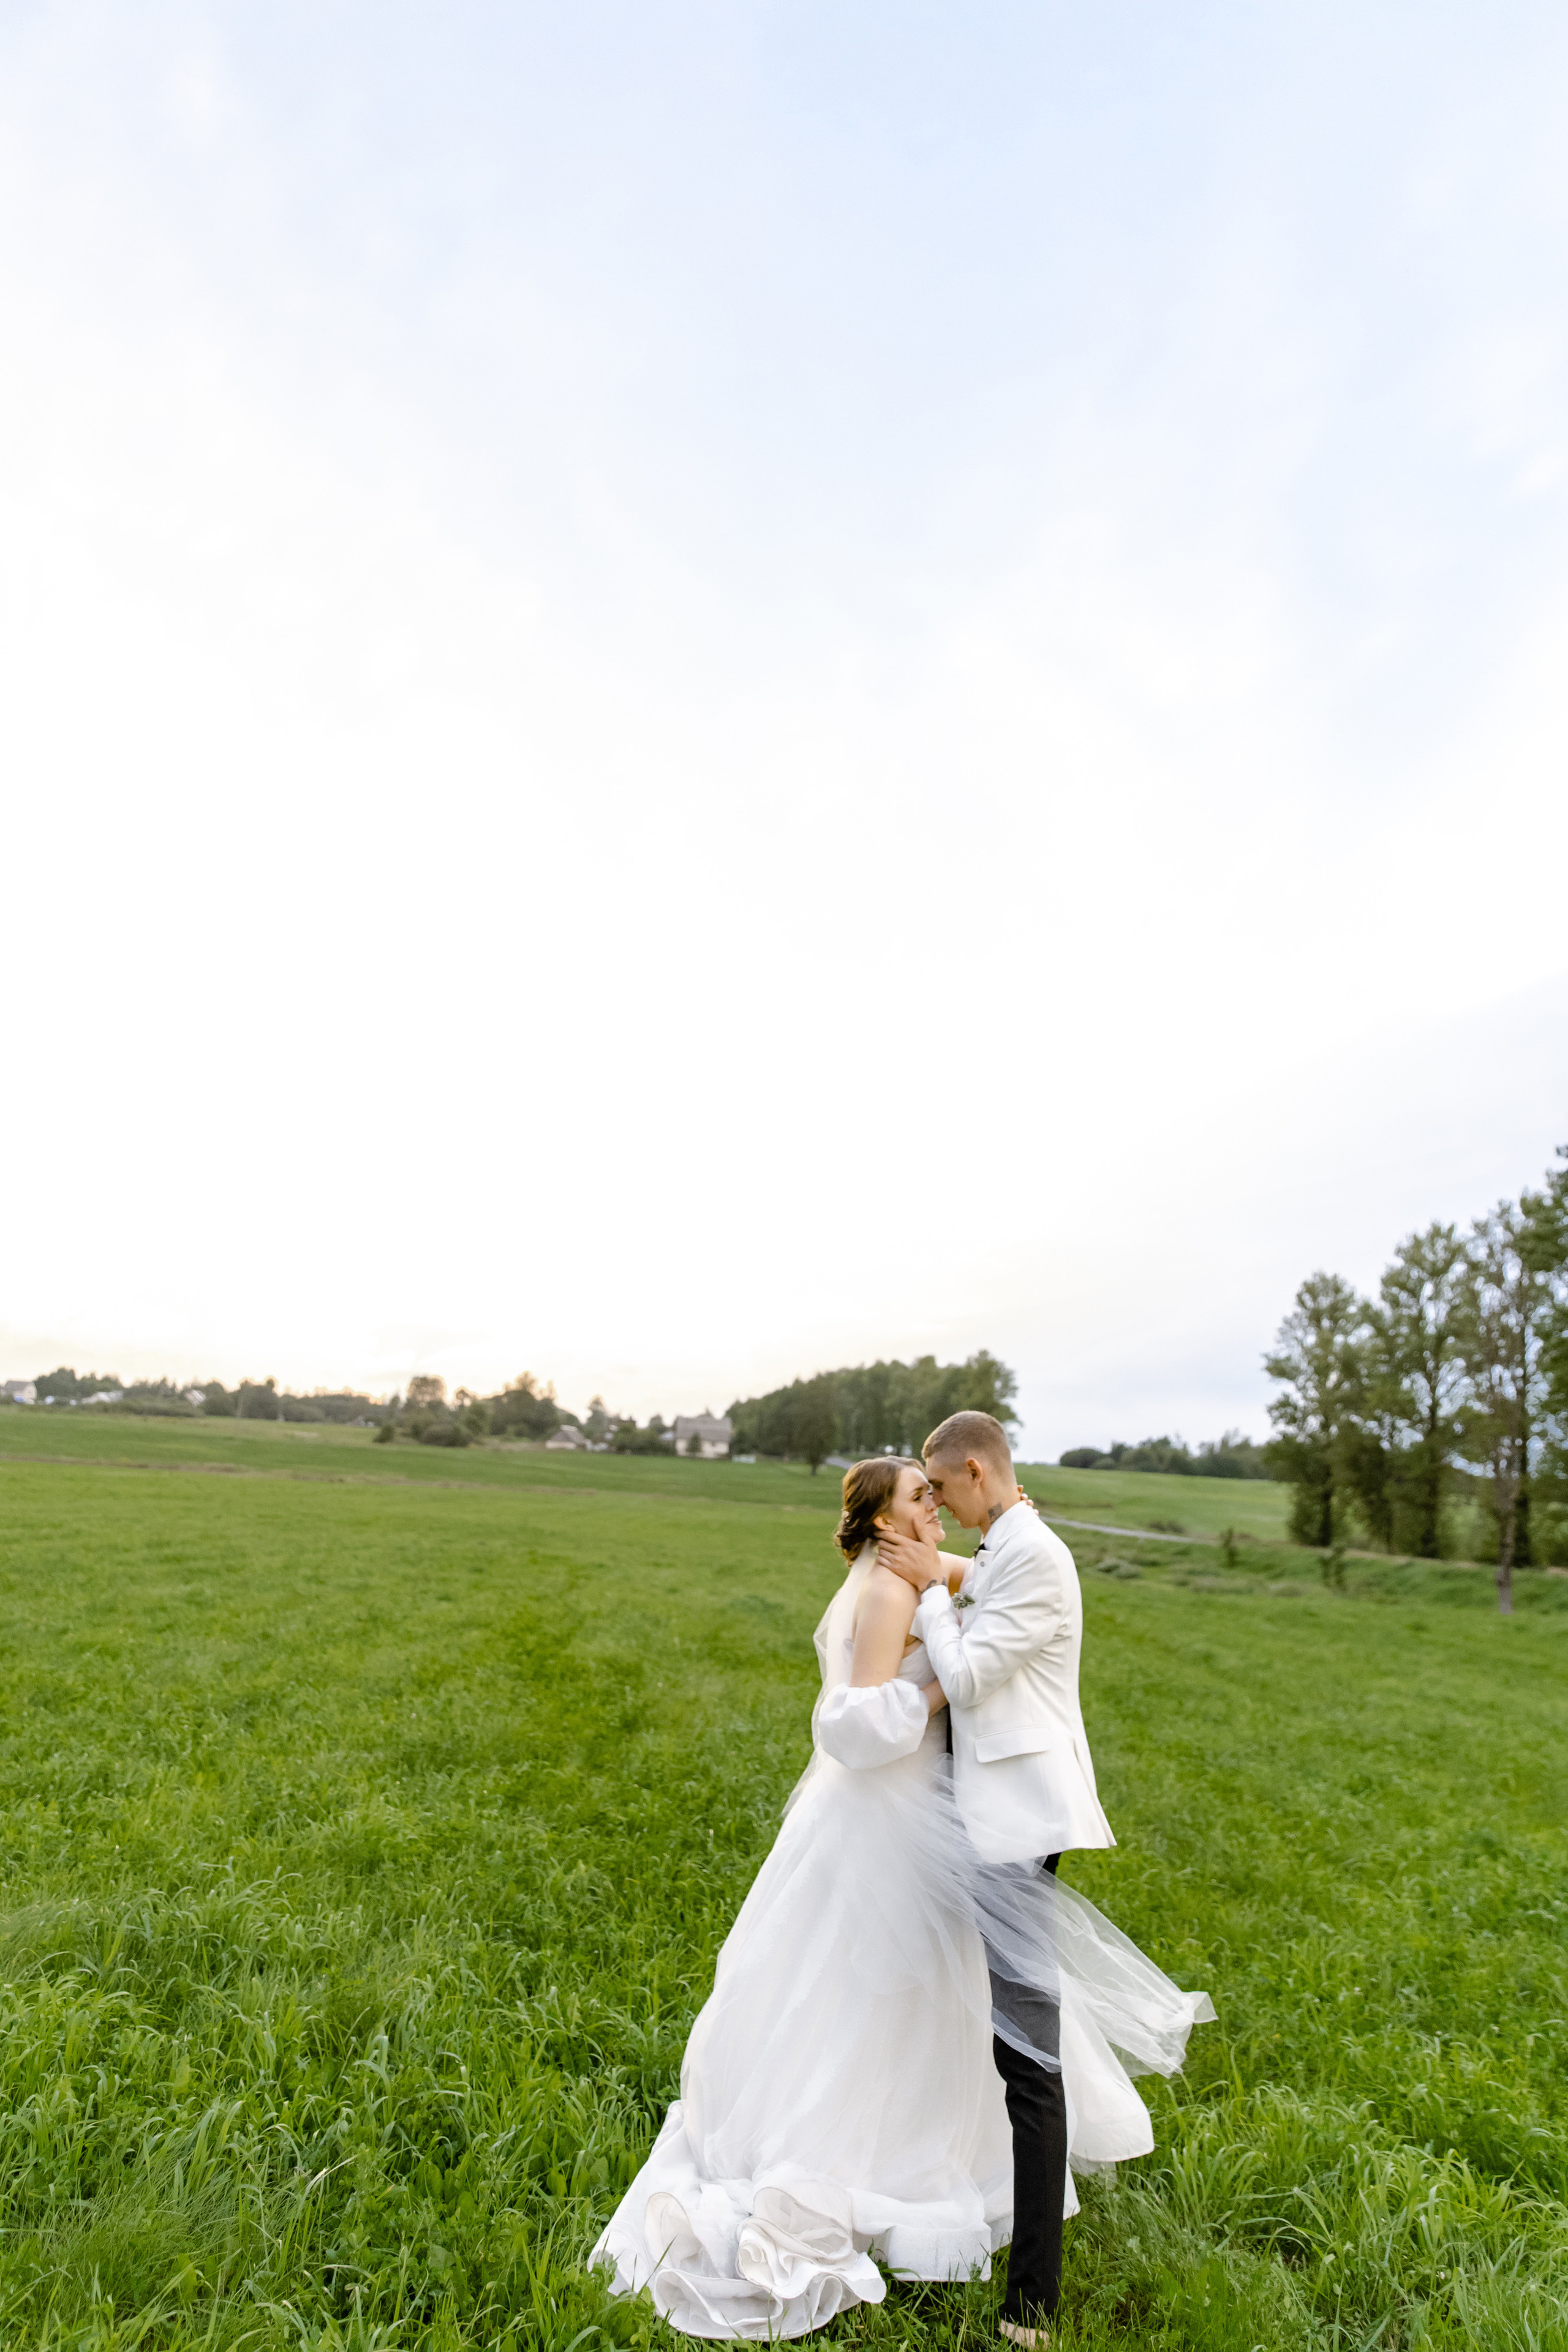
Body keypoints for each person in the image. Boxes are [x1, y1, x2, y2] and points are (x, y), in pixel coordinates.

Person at [592, 1443, 1212, 2344]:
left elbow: (984, 1571)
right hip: (889, 1825)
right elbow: (848, 1722)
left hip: (941, 1820)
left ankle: (938, 2164)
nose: (936, 1509)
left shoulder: (931, 1570)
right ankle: (868, 2168)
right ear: (885, 1519)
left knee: (934, 2007)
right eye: (921, 1497)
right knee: (868, 2001)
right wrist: (927, 1687)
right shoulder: (889, 1590)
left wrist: (970, 1556)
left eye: (938, 1491)